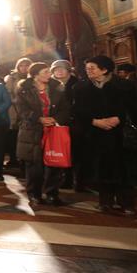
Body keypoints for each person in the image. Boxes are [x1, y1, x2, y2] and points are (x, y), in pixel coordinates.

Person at [73, 55, 137, 214]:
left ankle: (127, 203)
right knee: (102, 169)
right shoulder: (80, 88)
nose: (88, 71)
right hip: (95, 134)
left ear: (104, 69)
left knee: (124, 170)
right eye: (87, 68)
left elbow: (134, 108)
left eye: (92, 68)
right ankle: (105, 202)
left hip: (120, 134)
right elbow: (77, 111)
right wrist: (94, 121)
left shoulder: (125, 86)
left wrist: (119, 118)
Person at [16, 62, 71, 206]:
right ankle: (34, 194)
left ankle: (52, 194)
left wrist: (54, 119)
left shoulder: (57, 87)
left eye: (48, 72)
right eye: (45, 72)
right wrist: (39, 118)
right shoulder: (24, 89)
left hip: (53, 129)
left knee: (54, 162)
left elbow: (66, 108)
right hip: (32, 130)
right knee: (34, 165)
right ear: (35, 75)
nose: (49, 74)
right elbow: (22, 110)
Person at [49, 60, 81, 190]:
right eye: (56, 69)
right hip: (57, 123)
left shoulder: (77, 84)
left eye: (62, 69)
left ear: (69, 70)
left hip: (75, 123)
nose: (59, 71)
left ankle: (78, 180)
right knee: (60, 152)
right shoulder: (50, 85)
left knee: (76, 152)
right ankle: (64, 179)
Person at [5, 58, 32, 168]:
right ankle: (13, 158)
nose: (24, 68)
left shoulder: (33, 77)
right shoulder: (12, 78)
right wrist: (17, 101)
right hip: (15, 109)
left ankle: (25, 160)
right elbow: (8, 92)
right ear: (18, 67)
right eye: (22, 65)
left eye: (27, 65)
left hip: (30, 109)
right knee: (14, 135)